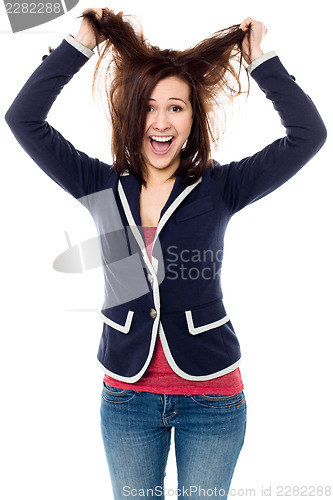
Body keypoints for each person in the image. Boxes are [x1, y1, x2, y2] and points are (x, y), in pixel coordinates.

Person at [4, 7, 327, 500]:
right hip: (128, 397)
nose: (161, 121)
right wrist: (80, 43)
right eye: (149, 107)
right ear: (133, 114)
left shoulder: (221, 187)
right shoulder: (99, 185)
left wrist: (262, 60)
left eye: (176, 107)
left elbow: (309, 135)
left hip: (212, 397)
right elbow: (22, 119)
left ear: (193, 117)